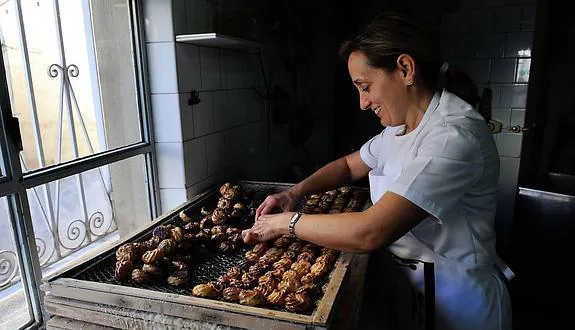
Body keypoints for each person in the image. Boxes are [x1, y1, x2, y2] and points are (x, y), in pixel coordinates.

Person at [241, 11, 512, 330]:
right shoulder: (398, 128)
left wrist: (287, 223)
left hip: (459, 303)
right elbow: (346, 166)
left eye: (365, 86)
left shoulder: (452, 136)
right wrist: (294, 193)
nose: (362, 103)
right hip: (411, 290)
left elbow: (371, 231)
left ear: (405, 70)